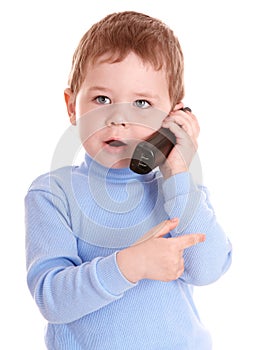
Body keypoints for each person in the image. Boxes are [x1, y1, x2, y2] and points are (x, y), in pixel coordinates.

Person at [25, 11, 232, 349]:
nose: (118, 118)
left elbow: (207, 269)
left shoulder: (178, 189)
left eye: (142, 103)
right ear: (72, 106)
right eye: (102, 99)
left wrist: (178, 172)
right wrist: (131, 264)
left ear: (171, 117)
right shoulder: (53, 194)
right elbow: (52, 299)